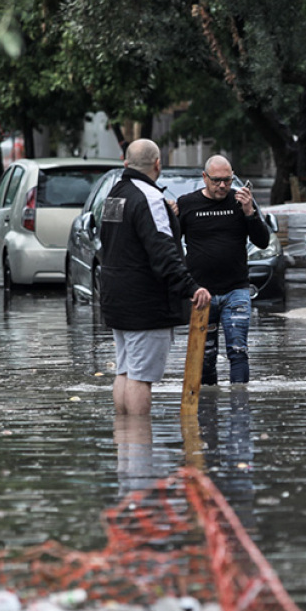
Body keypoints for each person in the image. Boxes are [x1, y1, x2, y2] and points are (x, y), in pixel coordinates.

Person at [98, 139, 211, 415]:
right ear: (158, 164)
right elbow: (163, 252)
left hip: (116, 297)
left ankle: (126, 446)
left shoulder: (115, 194)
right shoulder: (150, 198)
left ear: (126, 163)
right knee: (141, 377)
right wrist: (190, 288)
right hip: (146, 303)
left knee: (125, 371)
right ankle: (139, 449)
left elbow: (113, 240)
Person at [176, 155, 273, 386]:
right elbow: (171, 244)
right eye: (216, 180)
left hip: (235, 290)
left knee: (238, 350)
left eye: (227, 181)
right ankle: (208, 408)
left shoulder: (241, 201)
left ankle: (240, 406)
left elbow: (263, 241)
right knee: (205, 356)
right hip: (201, 293)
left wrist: (250, 211)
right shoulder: (187, 203)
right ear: (204, 178)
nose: (222, 186)